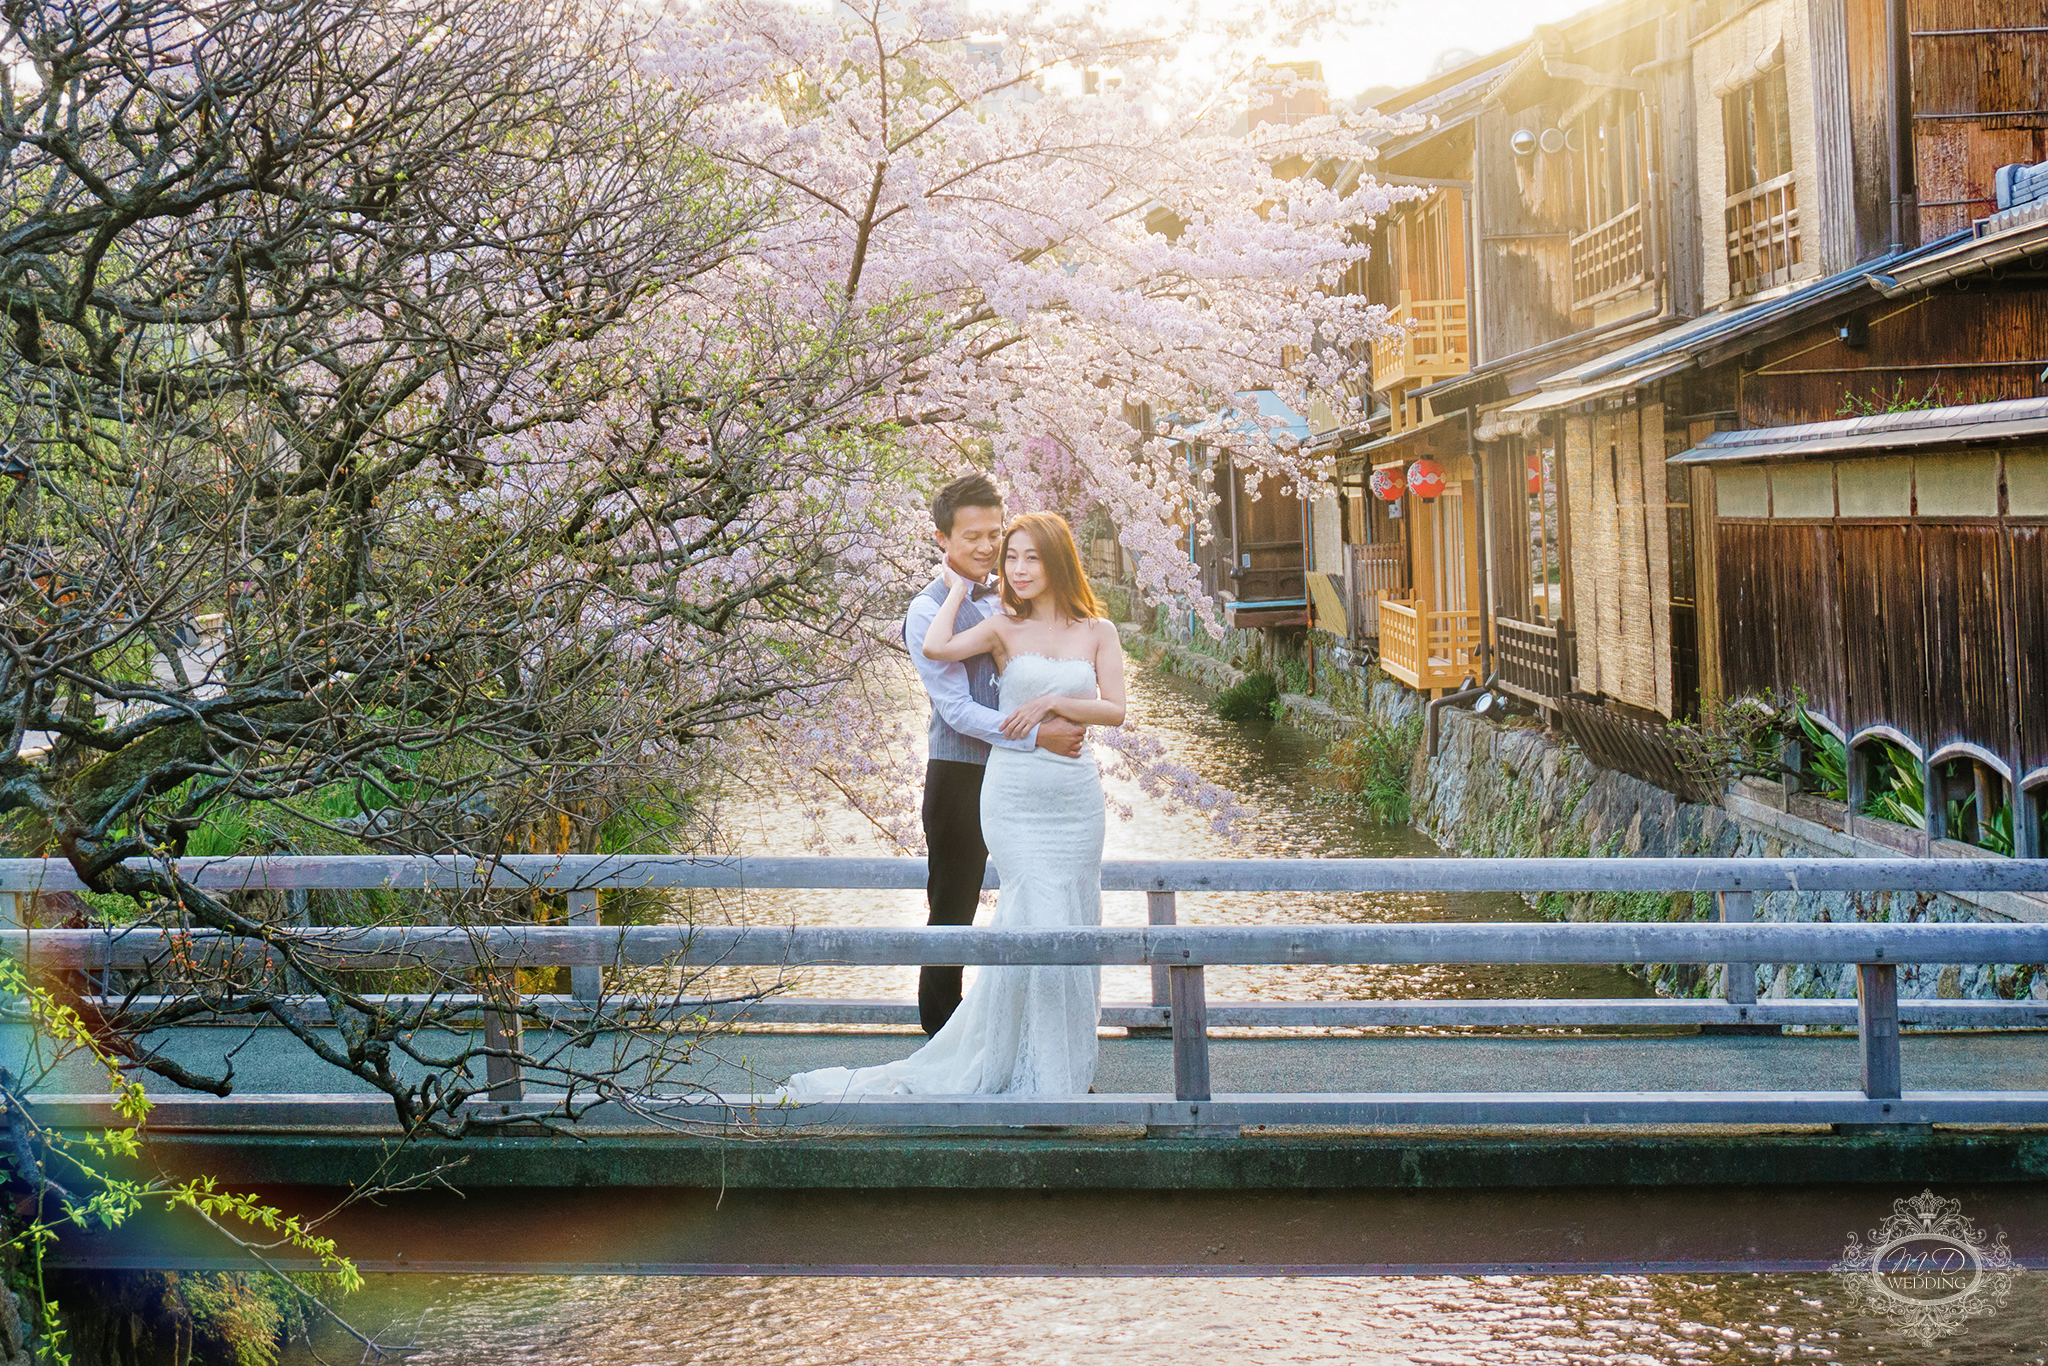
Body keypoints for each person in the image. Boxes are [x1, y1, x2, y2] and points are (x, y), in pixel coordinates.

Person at [783, 510, 1125, 1097]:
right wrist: (958, 585)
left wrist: (1047, 704)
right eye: (1008, 556)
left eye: (1029, 557)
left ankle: (1060, 1066)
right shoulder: (1000, 629)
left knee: (1072, 916)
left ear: (1058, 561)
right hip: (1015, 791)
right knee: (1033, 913)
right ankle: (1018, 1065)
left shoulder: (1098, 631)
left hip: (1074, 798)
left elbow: (1115, 708)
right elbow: (937, 646)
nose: (1015, 568)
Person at [896, 475, 1086, 1037]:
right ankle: (941, 1042)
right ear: (941, 538)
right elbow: (956, 710)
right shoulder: (927, 611)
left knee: (1038, 903)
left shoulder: (1018, 595)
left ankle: (1035, 1041)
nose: (986, 548)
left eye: (994, 535)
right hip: (960, 774)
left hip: (1028, 779)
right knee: (953, 909)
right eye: (972, 536)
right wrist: (1036, 735)